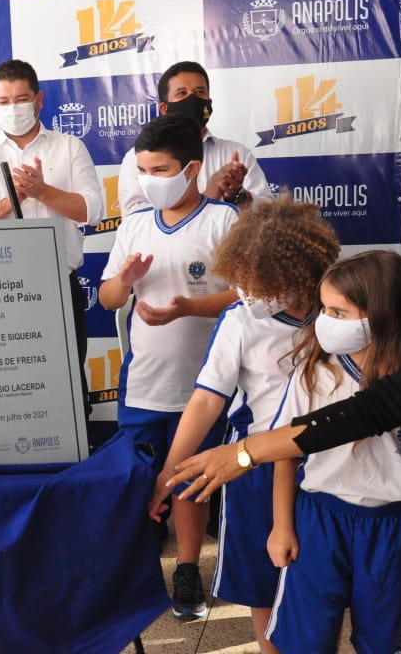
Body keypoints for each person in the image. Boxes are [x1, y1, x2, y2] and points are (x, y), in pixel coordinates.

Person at [168, 143, 401, 499]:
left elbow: (382, 408)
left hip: (338, 482)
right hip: (270, 468)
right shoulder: (244, 323)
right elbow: (207, 400)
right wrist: (182, 467)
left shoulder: (359, 330)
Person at [148, 197, 339, 651]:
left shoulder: (340, 314)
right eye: (243, 284)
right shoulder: (239, 320)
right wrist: (169, 475)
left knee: (319, 579)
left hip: (327, 465)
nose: (249, 296)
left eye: (261, 285)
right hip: (253, 467)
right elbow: (205, 401)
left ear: (299, 275)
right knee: (262, 582)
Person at [264, 251, 401, 653]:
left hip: (392, 526)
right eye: (324, 309)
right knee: (307, 637)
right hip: (319, 518)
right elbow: (286, 453)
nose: (325, 322)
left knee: (387, 640)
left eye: (339, 312)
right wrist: (282, 526)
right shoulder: (315, 371)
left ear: (384, 314)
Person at [98, 113, 239, 621]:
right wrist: (127, 279)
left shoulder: (224, 221)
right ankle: (133, 571)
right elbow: (110, 295)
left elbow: (244, 296)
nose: (148, 180)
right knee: (137, 480)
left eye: (159, 169)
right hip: (143, 383)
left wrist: (187, 308)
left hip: (204, 387)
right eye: (142, 169)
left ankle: (185, 570)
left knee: (187, 480)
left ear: (192, 168)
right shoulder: (135, 223)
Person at [0, 59, 104, 422]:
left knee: (68, 383)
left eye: (21, 98)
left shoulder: (69, 147)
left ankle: (74, 465)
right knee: (8, 386)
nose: (13, 108)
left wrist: (43, 191)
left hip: (58, 285)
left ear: (39, 99)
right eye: (4, 101)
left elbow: (91, 210)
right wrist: (12, 201)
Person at [118, 61, 275, 215]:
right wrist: (207, 199)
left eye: (200, 91)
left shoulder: (236, 154)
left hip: (229, 241)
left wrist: (238, 196)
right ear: (165, 108)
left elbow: (270, 212)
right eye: (182, 93)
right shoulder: (138, 158)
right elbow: (134, 219)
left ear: (209, 103)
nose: (192, 100)